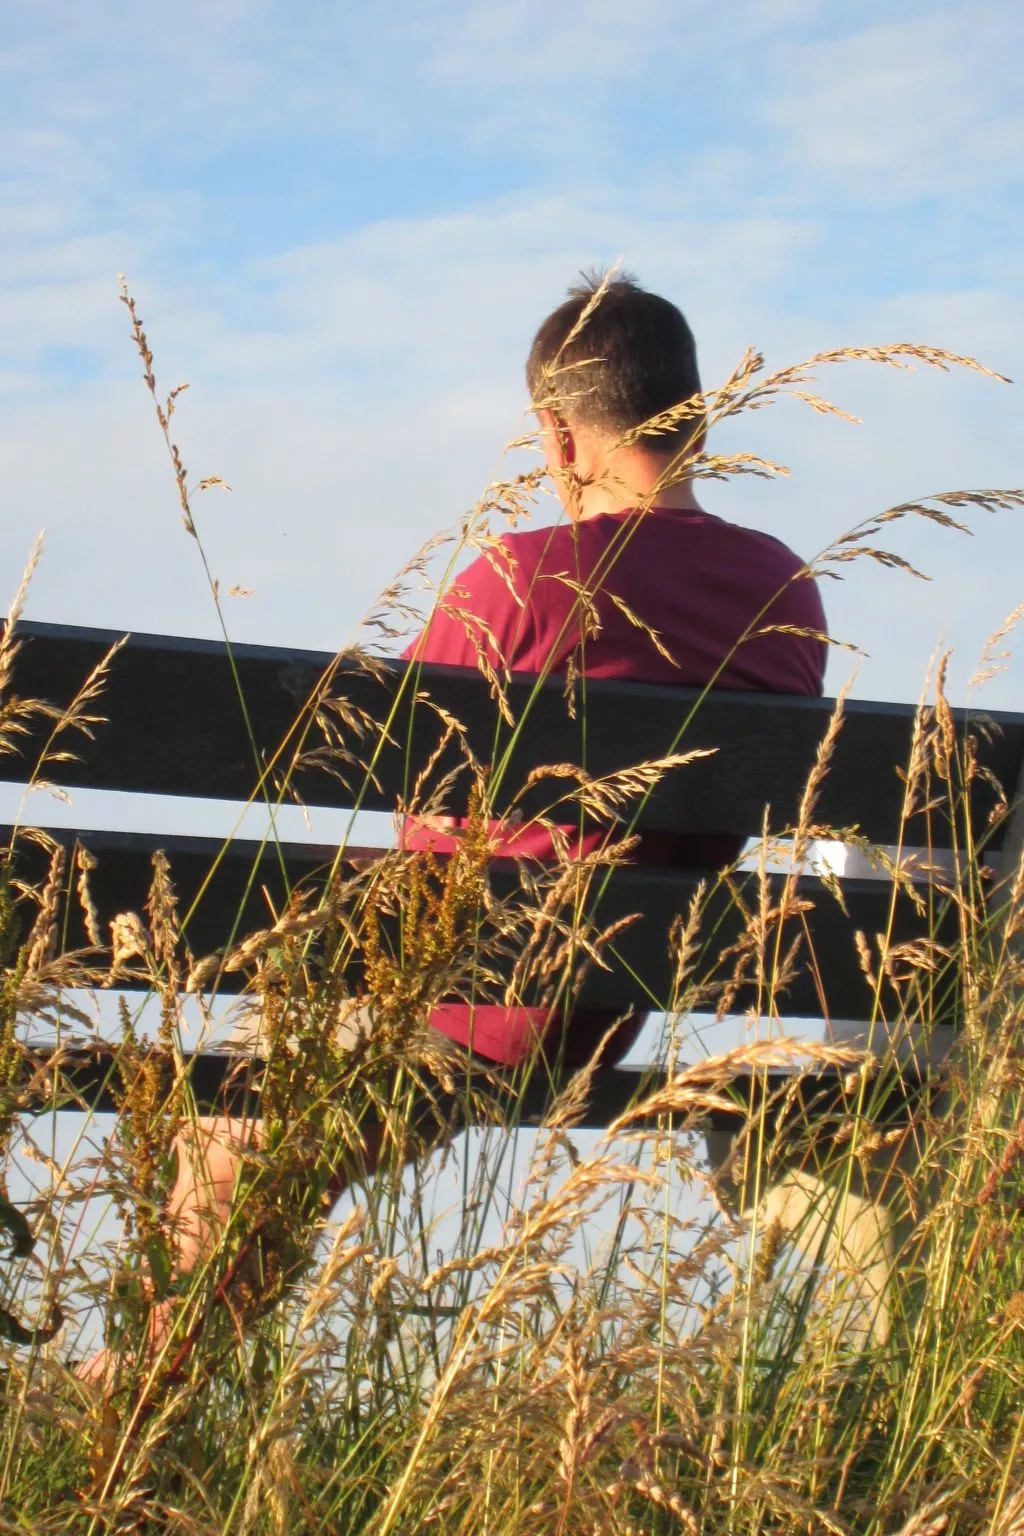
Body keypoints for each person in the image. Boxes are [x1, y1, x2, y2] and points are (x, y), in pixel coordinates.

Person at [80, 273, 828, 1384]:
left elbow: (406, 784)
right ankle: (136, 1418)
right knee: (236, 1132)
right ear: (694, 412)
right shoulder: (788, 589)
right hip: (604, 1005)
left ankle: (122, 1424)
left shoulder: (514, 577)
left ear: (555, 433)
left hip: (463, 1006)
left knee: (226, 1133)